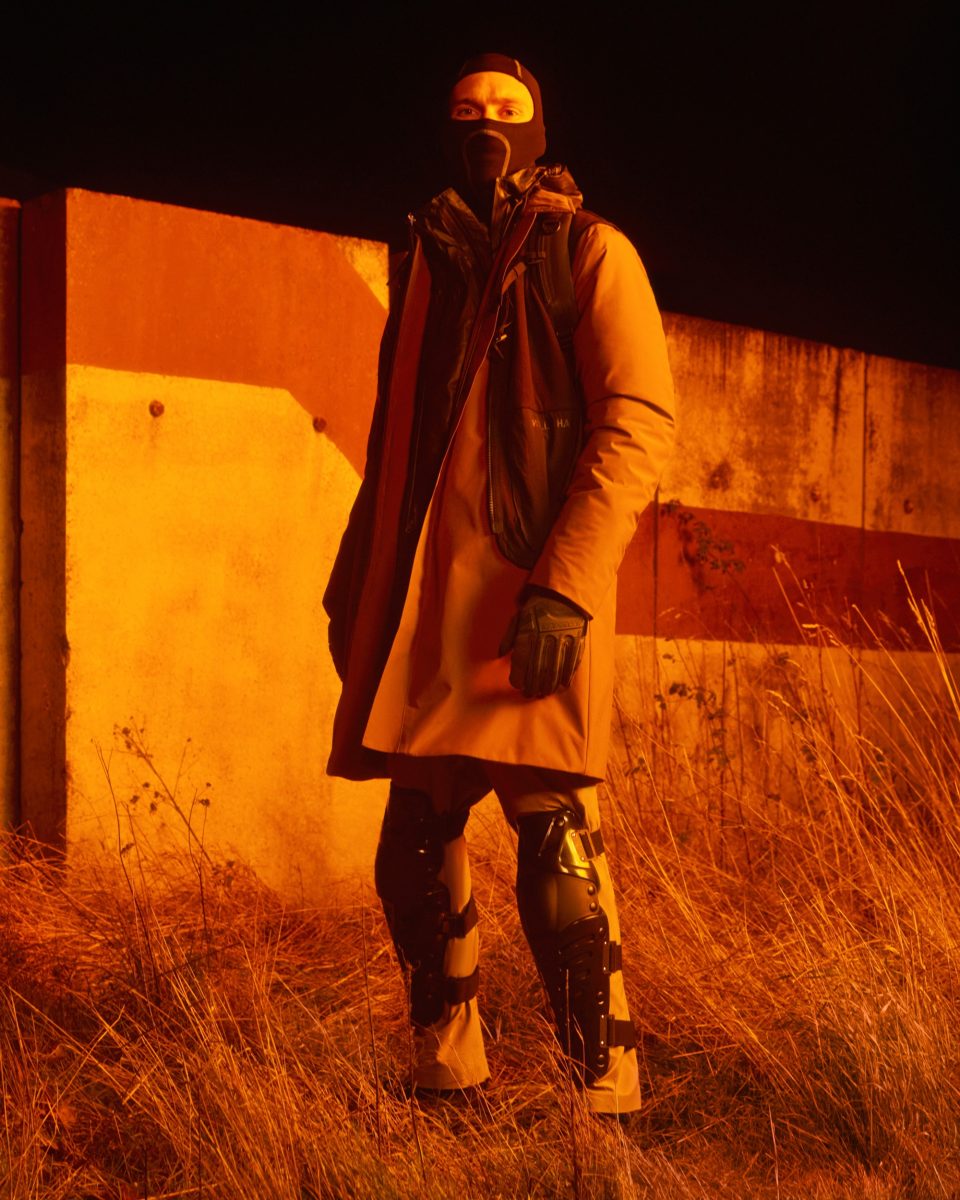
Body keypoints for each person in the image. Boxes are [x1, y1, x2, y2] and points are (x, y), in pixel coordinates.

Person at [323, 52, 675, 1117]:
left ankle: (604, 1097)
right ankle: (446, 1073)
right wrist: (357, 579)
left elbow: (637, 424)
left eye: (507, 109)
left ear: (539, 128)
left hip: (525, 597)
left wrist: (565, 587)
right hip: (425, 600)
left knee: (554, 842)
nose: (486, 123)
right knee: (414, 846)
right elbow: (396, 442)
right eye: (467, 108)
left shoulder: (591, 250)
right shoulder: (426, 257)